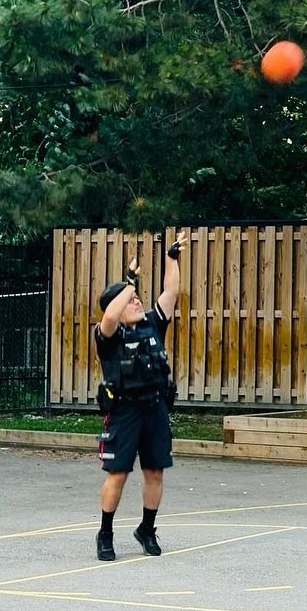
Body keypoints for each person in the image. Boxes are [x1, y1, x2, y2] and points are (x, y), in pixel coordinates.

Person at [94, 230, 188, 562]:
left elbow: (171, 291)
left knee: (155, 471)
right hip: (123, 412)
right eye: (130, 300)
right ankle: (105, 533)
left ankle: (146, 529)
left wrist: (171, 257)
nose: (137, 302)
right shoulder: (107, 334)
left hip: (155, 408)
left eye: (136, 298)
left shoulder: (152, 323)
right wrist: (128, 281)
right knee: (117, 473)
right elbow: (109, 314)